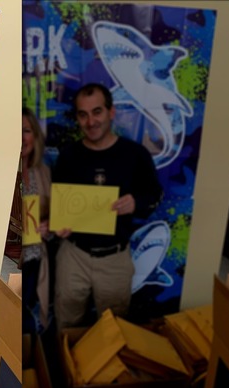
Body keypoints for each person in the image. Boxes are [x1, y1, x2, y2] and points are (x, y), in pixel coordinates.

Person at [52, 83, 163, 328]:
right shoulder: (69, 155)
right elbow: (60, 200)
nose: (91, 121)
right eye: (83, 114)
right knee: (67, 323)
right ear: (78, 119)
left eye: (97, 112)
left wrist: (136, 201)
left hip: (115, 256)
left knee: (115, 326)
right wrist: (59, 224)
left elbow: (154, 193)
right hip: (74, 254)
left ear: (111, 112)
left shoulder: (135, 154)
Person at [21, 107, 53, 334]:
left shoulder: (44, 173)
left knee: (26, 317)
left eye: (26, 130)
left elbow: (60, 214)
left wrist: (49, 225)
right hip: (5, 261)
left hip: (34, 256)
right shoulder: (3, 170)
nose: (21, 138)